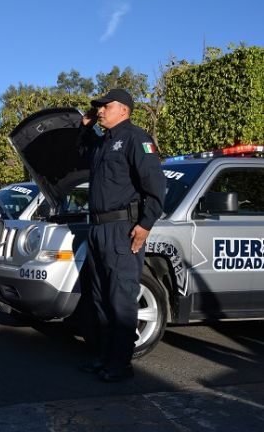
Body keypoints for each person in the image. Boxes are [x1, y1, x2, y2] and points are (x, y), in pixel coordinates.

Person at [78, 89, 166, 383]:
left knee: (121, 298)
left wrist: (145, 224)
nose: (100, 110)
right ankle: (103, 356)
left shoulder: (135, 139)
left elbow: (155, 185)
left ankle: (121, 364)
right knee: (100, 297)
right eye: (99, 107)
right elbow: (80, 154)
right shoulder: (104, 143)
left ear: (124, 110)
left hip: (122, 229)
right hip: (98, 228)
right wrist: (85, 125)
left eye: (106, 106)